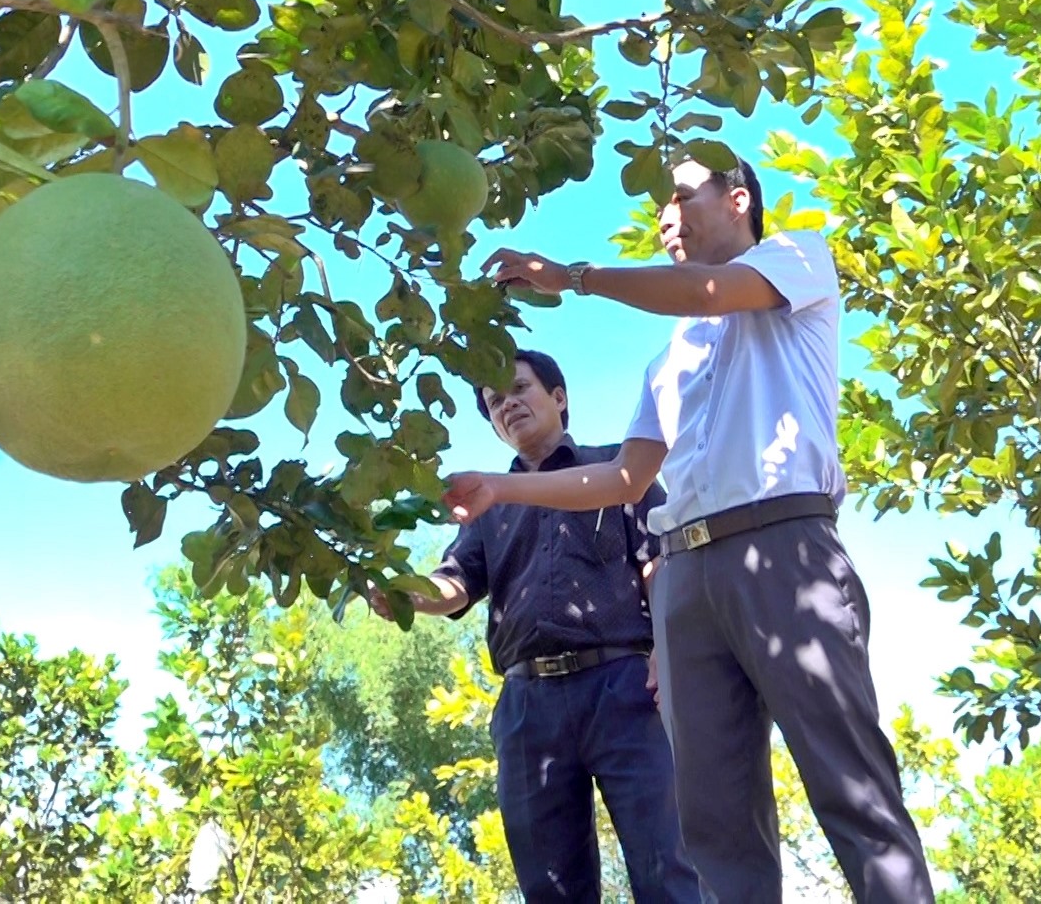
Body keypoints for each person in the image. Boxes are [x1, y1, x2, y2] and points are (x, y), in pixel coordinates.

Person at [443, 157, 936, 903]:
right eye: (659, 206)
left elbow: (704, 290)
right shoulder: (669, 359)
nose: (665, 216)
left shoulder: (797, 258)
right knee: (711, 825)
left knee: (850, 784)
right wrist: (499, 486)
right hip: (684, 581)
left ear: (737, 199)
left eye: (679, 197)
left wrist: (571, 275)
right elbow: (620, 481)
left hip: (782, 549)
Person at [368, 349, 701, 902]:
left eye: (519, 388)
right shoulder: (488, 506)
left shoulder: (618, 470)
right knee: (550, 888)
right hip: (527, 710)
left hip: (624, 690)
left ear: (558, 397)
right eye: (496, 402)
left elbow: (657, 561)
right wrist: (406, 595)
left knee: (666, 867)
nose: (508, 404)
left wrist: (666, 650)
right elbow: (456, 585)